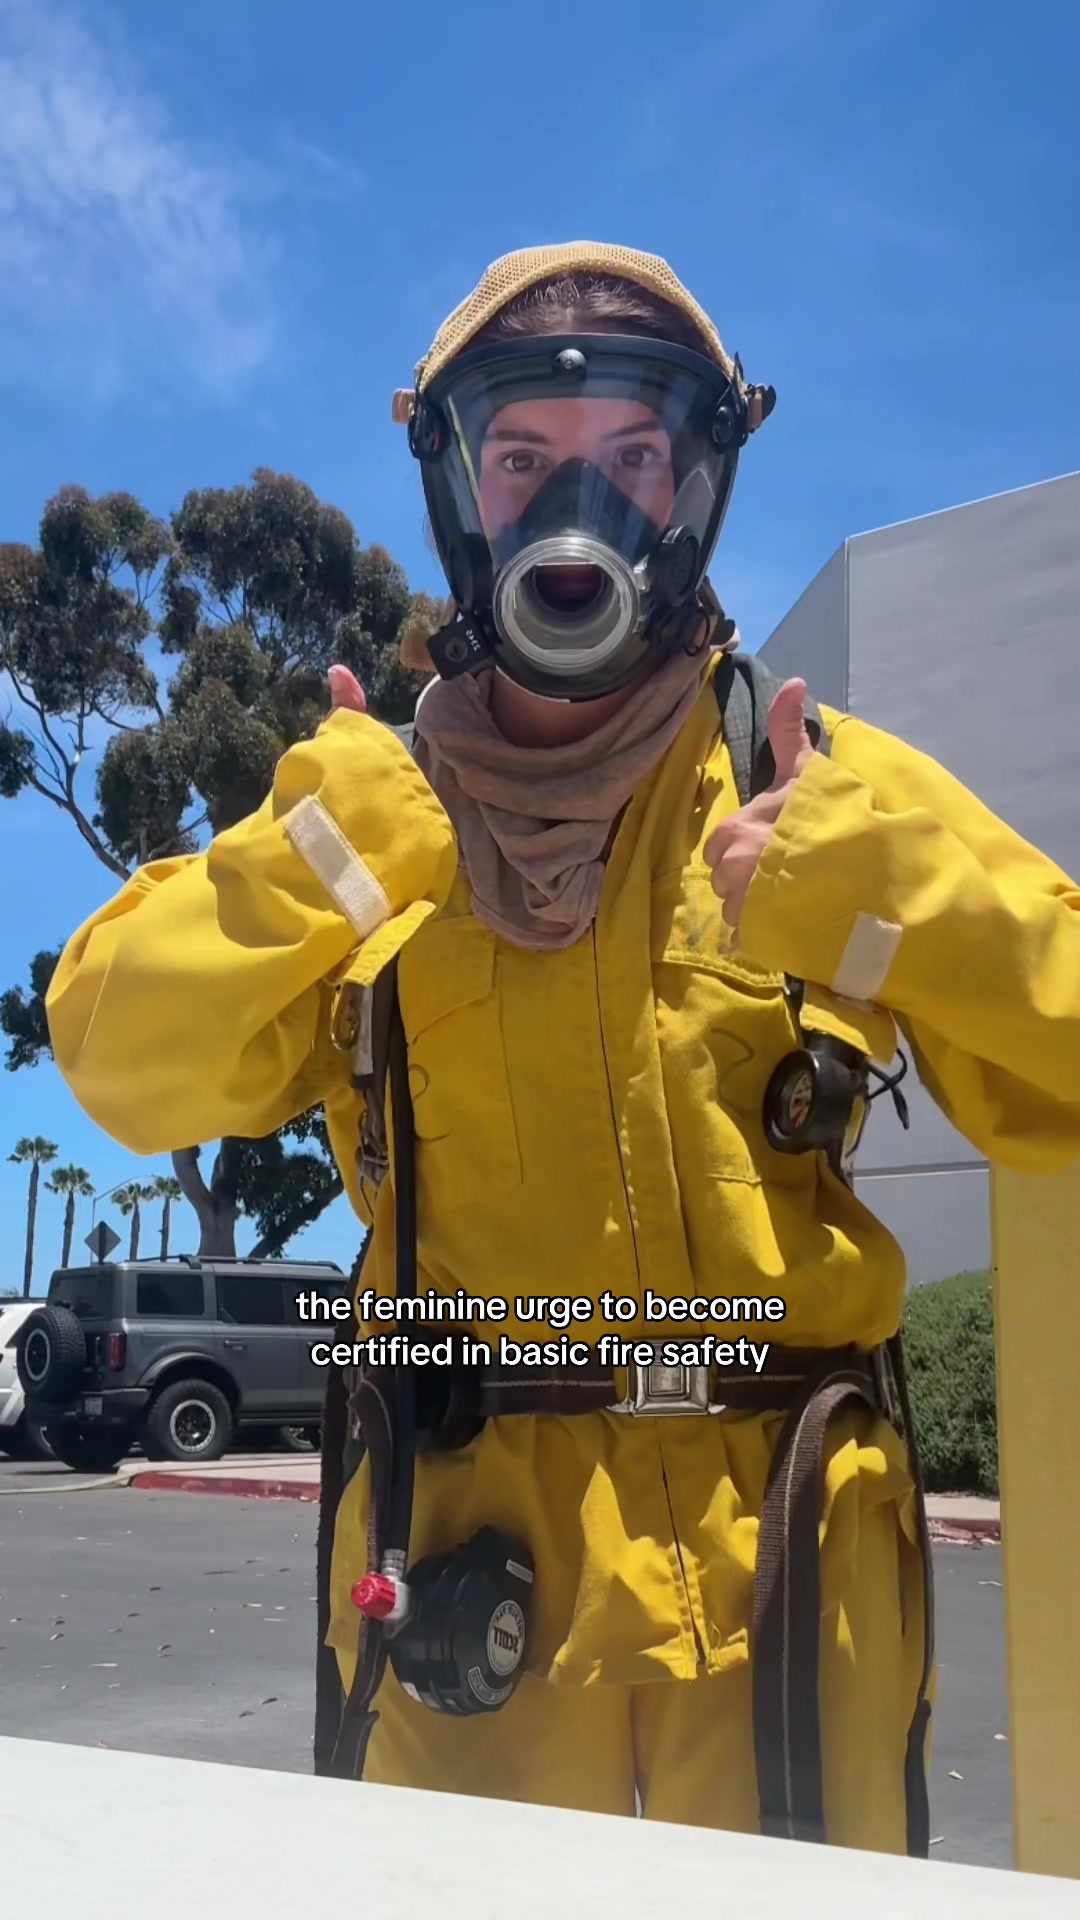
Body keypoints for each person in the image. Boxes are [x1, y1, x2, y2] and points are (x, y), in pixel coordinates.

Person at [46, 242, 1080, 1855]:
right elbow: (118, 1059)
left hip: (790, 1572)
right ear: (461, 491)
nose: (574, 511)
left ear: (697, 487)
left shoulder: (812, 790)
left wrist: (889, 912)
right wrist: (325, 863)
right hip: (469, 1571)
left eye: (631, 457)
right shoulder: (365, 818)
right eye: (524, 457)